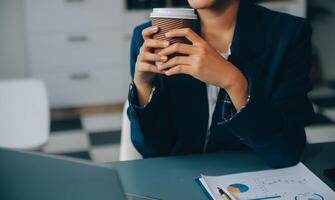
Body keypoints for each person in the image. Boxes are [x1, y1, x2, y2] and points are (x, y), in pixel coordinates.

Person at [127, 0, 315, 168]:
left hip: (252, 178)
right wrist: (142, 86)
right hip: (179, 180)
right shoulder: (152, 37)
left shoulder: (288, 34)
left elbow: (287, 152)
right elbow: (153, 152)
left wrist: (234, 82)